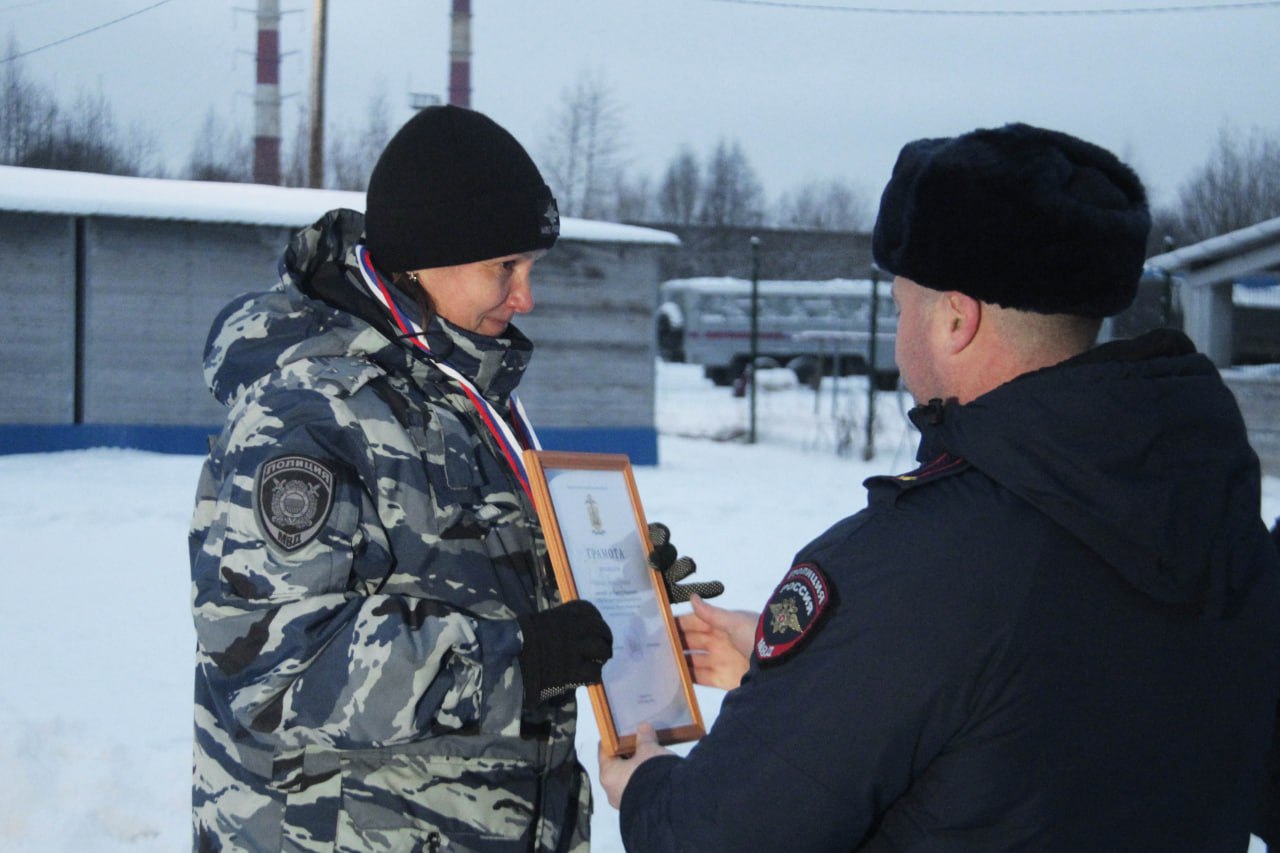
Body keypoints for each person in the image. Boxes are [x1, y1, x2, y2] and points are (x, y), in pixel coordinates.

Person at [600, 122, 1280, 851]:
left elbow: (715, 837)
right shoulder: (1209, 510)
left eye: (901, 305)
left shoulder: (921, 559)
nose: (898, 334)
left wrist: (646, 786)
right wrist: (822, 673)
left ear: (956, 319)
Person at [190, 105, 615, 851]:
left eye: (531, 269)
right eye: (505, 268)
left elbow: (467, 570)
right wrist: (521, 659)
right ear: (424, 259)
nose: (526, 298)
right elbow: (275, 670)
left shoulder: (454, 388)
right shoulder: (307, 414)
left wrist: (614, 574)